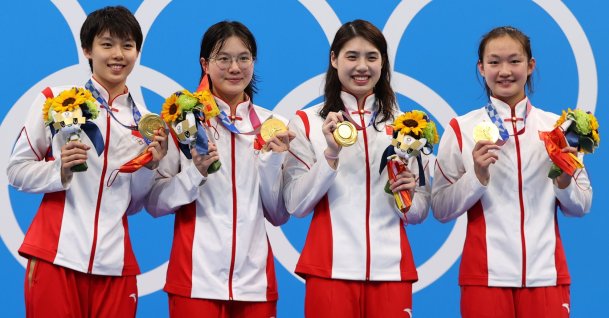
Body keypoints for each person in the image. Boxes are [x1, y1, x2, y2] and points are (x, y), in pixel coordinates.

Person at [7, 6, 167, 318]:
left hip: (115, 265)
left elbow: (133, 204)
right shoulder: (57, 100)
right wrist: (59, 170)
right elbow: (16, 170)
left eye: (127, 46)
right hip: (56, 256)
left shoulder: (145, 124)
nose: (118, 55)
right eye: (107, 44)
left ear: (137, 52)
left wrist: (149, 167)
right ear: (87, 50)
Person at [431, 26, 593, 318]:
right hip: (484, 279)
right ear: (481, 68)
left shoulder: (558, 127)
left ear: (530, 66)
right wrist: (477, 176)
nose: (504, 70)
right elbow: (441, 208)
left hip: (547, 277)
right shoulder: (461, 129)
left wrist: (565, 179)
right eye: (494, 62)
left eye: (514, 61)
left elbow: (582, 206)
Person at [145, 21, 293, 318]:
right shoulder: (184, 122)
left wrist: (273, 160)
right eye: (223, 58)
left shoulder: (273, 126)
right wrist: (195, 173)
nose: (234, 68)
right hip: (195, 281)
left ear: (254, 62)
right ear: (205, 64)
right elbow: (155, 203)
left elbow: (278, 214)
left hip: (255, 285)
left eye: (244, 58)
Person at [283, 19, 430, 317]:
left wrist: (409, 197)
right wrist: (330, 155)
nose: (362, 66)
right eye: (352, 56)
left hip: (391, 271)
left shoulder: (409, 126)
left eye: (372, 57)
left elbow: (419, 213)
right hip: (329, 269)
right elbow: (294, 204)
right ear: (334, 59)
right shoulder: (307, 122)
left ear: (383, 63)